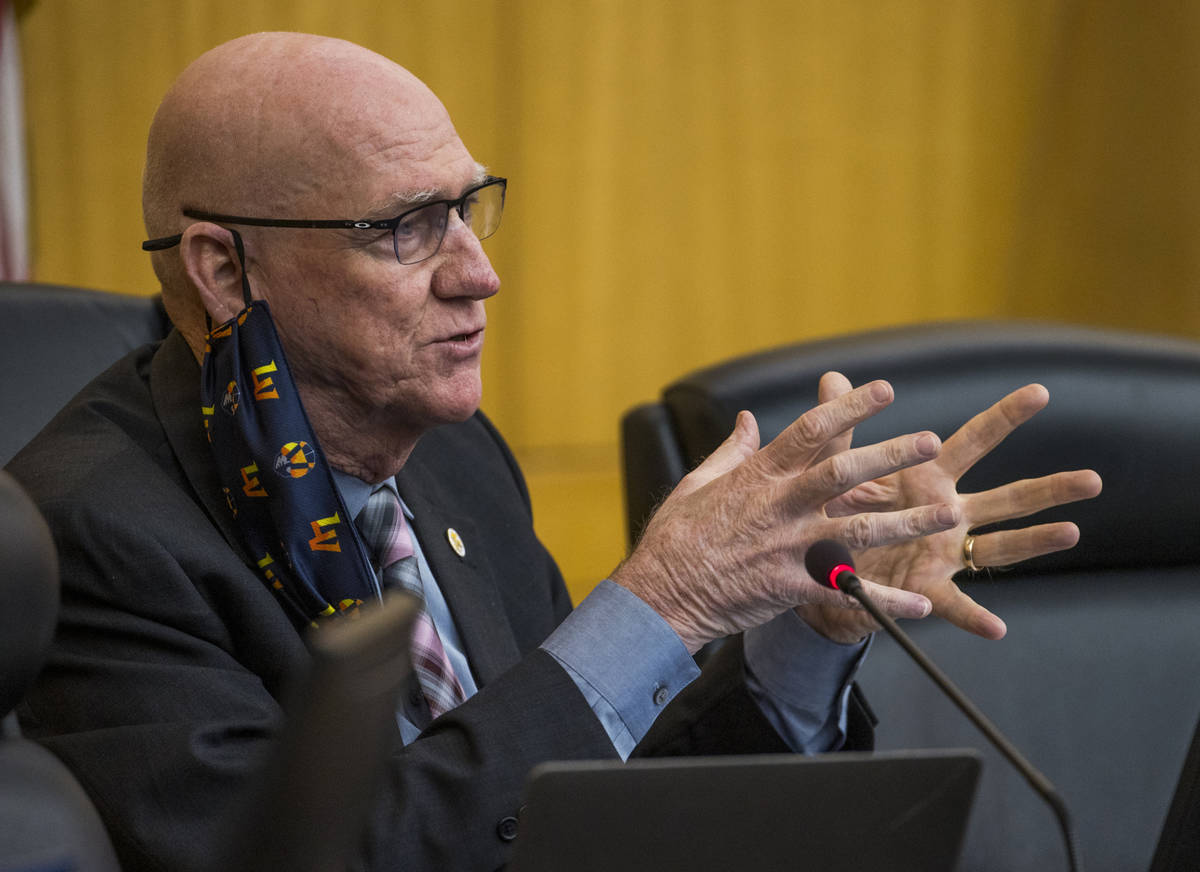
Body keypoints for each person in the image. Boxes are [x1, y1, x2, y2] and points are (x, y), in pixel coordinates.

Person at [7, 32, 1101, 872]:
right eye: (404, 226)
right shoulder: (89, 536)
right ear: (225, 271)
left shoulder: (455, 458)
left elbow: (569, 808)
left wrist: (808, 629)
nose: (479, 271)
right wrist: (663, 599)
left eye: (470, 206)